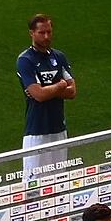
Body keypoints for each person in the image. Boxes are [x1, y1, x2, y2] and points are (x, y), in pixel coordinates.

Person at [16, 14, 76, 180]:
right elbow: (39, 95)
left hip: (59, 129)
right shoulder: (25, 60)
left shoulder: (59, 57)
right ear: (32, 33)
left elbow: (72, 91)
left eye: (49, 32)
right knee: (33, 184)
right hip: (36, 131)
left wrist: (48, 90)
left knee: (59, 182)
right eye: (42, 33)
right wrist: (60, 85)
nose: (47, 36)